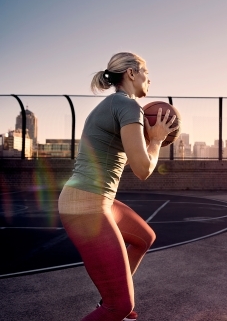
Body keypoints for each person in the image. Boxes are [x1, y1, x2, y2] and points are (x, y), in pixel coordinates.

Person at [58, 52, 178, 320]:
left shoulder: (116, 104)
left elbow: (114, 161)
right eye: (147, 73)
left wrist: (145, 138)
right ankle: (113, 306)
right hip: (86, 205)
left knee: (144, 238)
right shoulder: (127, 106)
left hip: (97, 199)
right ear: (132, 73)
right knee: (121, 306)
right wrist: (156, 140)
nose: (150, 80)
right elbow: (143, 169)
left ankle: (109, 302)